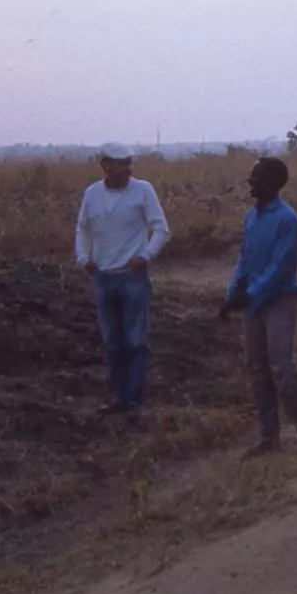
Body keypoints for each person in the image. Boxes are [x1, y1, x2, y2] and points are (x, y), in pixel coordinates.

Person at [219, 156, 297, 456]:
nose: (251, 181)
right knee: (258, 368)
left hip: (279, 300)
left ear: (273, 182)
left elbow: (280, 269)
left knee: (283, 367)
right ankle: (269, 438)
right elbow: (243, 259)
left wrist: (249, 295)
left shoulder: (288, 219)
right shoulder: (252, 216)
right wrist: (231, 294)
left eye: (256, 177)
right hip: (254, 302)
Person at [74, 142, 171, 421]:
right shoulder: (92, 194)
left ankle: (132, 398)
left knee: (135, 340)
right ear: (105, 165)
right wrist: (83, 258)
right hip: (102, 276)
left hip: (132, 277)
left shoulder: (143, 190)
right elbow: (82, 228)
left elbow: (161, 229)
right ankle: (118, 395)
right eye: (119, 164)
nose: (126, 169)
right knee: (112, 340)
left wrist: (145, 256)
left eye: (128, 163)